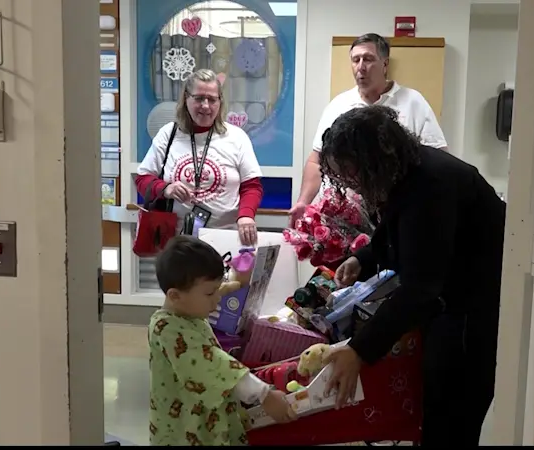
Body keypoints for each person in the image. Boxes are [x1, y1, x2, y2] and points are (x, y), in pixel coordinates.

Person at [319, 105, 506, 446]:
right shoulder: (407, 171)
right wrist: (364, 258)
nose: (350, 183)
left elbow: (421, 286)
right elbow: (398, 233)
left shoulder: (431, 184)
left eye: (349, 172)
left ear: (372, 158)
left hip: (472, 311)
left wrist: (359, 350)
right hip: (453, 301)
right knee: (436, 409)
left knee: (451, 417)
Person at [148, 236, 296, 446]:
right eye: (210, 293)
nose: (217, 299)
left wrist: (238, 283)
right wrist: (264, 394)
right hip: (183, 430)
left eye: (217, 290)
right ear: (175, 295)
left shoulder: (188, 310)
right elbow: (212, 363)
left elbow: (220, 289)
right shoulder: (167, 328)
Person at [290, 33, 448, 224]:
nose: (361, 67)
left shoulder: (413, 102)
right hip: (345, 218)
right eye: (355, 60)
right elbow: (317, 162)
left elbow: (438, 159)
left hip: (396, 212)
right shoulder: (339, 105)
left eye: (368, 59)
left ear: (385, 64)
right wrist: (303, 202)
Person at [136, 69, 263, 246]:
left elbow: (252, 186)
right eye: (199, 98)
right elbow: (142, 180)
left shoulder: (236, 137)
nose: (205, 105)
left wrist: (246, 216)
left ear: (220, 102)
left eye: (212, 99)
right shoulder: (169, 134)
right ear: (186, 99)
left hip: (225, 239)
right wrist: (166, 189)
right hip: (178, 242)